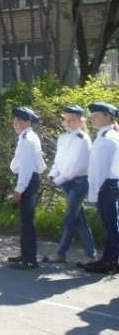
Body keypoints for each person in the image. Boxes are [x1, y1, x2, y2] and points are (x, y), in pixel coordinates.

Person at [45, 105, 96, 265]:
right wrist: (52, 175)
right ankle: (91, 254)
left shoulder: (83, 140)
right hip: (66, 183)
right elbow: (58, 161)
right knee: (79, 219)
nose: (68, 122)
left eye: (72, 119)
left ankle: (61, 252)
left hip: (78, 182)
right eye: (66, 119)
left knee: (69, 218)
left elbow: (75, 167)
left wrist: (57, 180)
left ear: (81, 121)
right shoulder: (63, 138)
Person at [7, 107, 46, 269]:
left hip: (27, 181)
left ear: (27, 122)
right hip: (30, 180)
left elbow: (27, 167)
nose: (14, 123)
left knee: (27, 221)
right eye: (15, 119)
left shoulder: (27, 139)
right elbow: (40, 165)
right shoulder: (28, 137)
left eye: (18, 120)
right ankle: (25, 254)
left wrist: (19, 189)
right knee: (25, 221)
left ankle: (30, 259)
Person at [83, 102, 119, 274]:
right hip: (108, 185)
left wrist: (94, 194)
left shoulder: (107, 139)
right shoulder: (107, 135)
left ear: (107, 116)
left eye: (96, 115)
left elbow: (100, 171)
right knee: (112, 225)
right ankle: (110, 259)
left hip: (106, 186)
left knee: (111, 226)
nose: (92, 118)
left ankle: (110, 262)